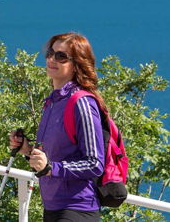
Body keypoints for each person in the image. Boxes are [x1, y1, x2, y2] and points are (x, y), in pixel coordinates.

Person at [10, 32, 105, 221]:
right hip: (53, 206)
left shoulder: (81, 103)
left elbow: (95, 163)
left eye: (61, 56)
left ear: (77, 64)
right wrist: (28, 151)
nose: (52, 59)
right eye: (50, 53)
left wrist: (51, 168)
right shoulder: (52, 102)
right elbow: (54, 157)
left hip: (77, 208)